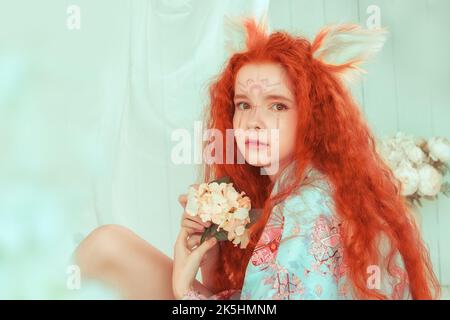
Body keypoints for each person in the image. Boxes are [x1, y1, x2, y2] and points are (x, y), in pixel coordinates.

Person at [75, 17, 440, 300]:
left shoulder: (306, 206)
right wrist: (210, 255)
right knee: (109, 246)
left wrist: (185, 288)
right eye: (243, 105)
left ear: (311, 115)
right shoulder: (299, 186)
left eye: (277, 105)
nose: (254, 122)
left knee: (106, 248)